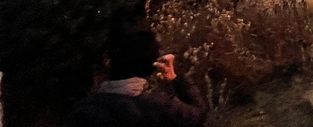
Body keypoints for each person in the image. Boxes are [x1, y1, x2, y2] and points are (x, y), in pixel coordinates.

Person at [63, 30, 207, 127]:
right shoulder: (160, 107)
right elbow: (199, 113)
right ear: (152, 67)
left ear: (109, 63)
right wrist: (174, 78)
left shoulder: (83, 111)